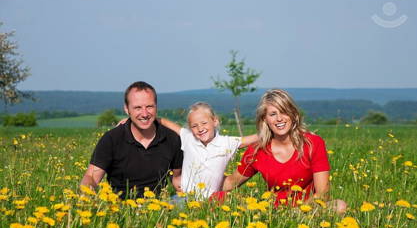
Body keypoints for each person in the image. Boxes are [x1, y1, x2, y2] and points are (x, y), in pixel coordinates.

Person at [223, 89, 346, 213]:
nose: (279, 118)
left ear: (293, 114)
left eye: (284, 112)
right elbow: (231, 182)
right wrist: (205, 186)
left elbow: (323, 193)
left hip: (308, 210)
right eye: (272, 114)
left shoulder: (313, 143)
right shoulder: (257, 150)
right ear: (265, 119)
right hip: (272, 213)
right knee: (219, 199)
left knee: (339, 206)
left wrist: (296, 213)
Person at [118, 102, 258, 199]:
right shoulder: (189, 138)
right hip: (185, 197)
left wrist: (270, 132)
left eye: (204, 123)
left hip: (212, 199)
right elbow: (167, 123)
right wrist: (136, 121)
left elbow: (250, 139)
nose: (200, 128)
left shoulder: (226, 143)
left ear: (215, 121)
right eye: (195, 126)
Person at [80, 81, 183, 199]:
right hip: (120, 207)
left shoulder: (171, 139)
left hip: (159, 208)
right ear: (126, 109)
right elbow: (91, 177)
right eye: (137, 108)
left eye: (149, 106)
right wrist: (86, 196)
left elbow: (177, 178)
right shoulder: (112, 139)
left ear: (156, 107)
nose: (144, 114)